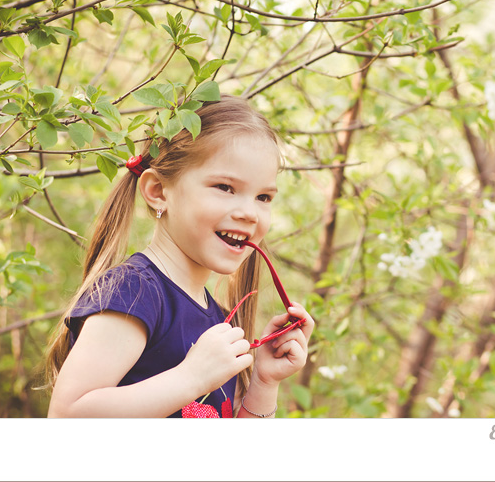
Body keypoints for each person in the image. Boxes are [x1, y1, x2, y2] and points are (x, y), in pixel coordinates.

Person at [45, 96, 314, 418]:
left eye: (263, 197)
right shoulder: (135, 292)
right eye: (225, 187)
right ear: (158, 191)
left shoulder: (219, 319)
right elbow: (67, 415)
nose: (250, 213)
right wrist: (192, 378)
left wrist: (264, 382)